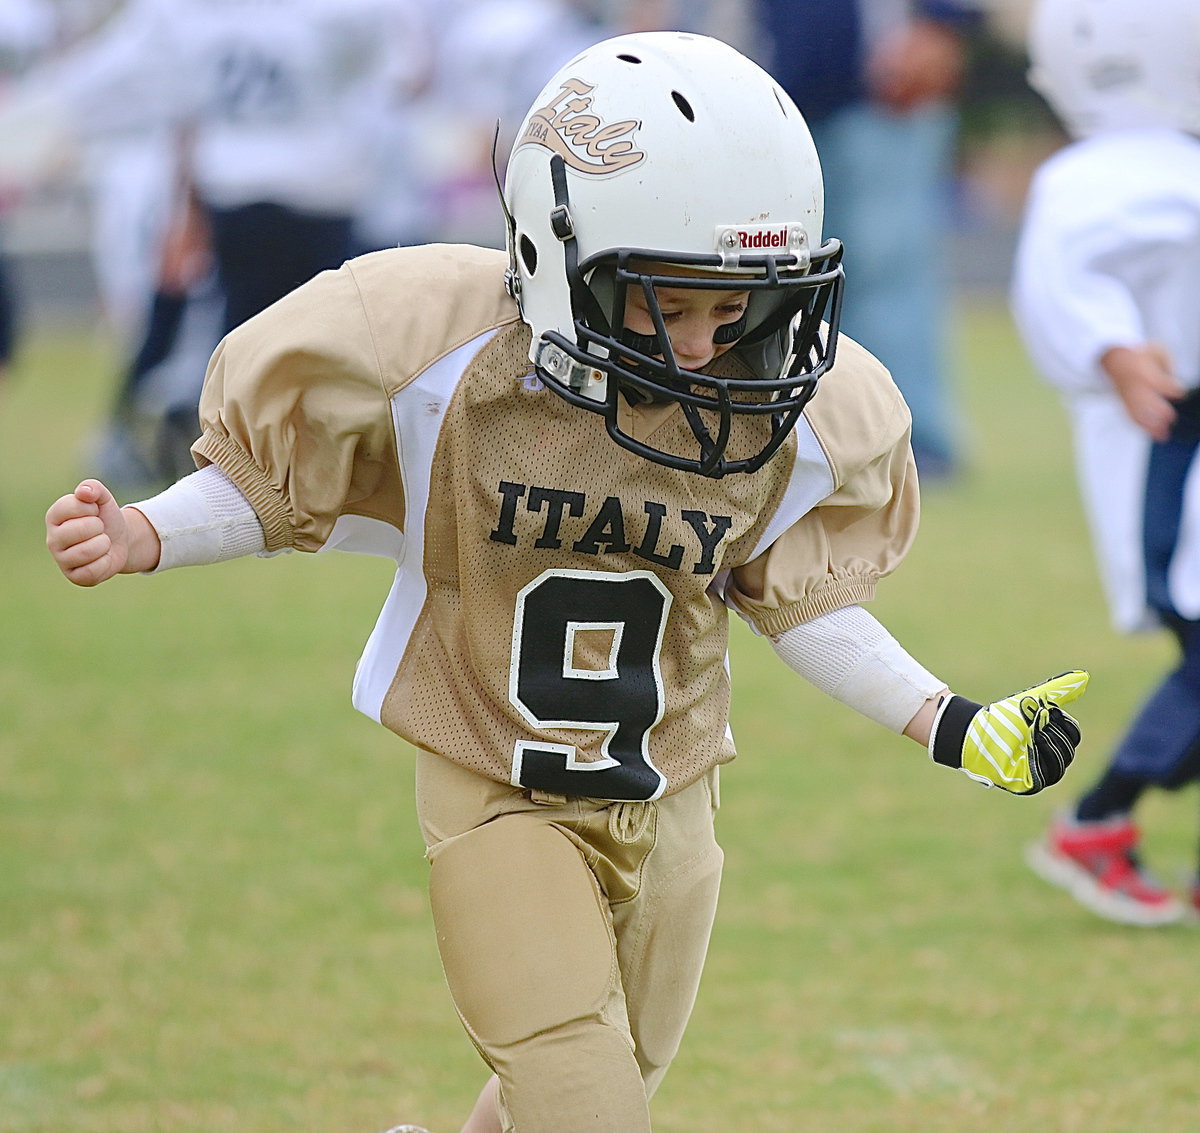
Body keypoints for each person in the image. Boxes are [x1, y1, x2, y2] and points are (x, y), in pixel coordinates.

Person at [46, 33, 1087, 1133]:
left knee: (614, 1065)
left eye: (732, 310)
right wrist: (147, 531)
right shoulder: (443, 357)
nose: (702, 347)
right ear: (558, 254)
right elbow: (277, 486)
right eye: (666, 303)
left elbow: (805, 600)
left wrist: (950, 718)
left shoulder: (785, 411)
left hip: (673, 791)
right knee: (583, 1091)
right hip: (495, 781)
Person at [1012, 0, 1200, 928]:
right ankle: (1094, 821)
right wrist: (1114, 349)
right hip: (1167, 434)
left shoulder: (1168, 163)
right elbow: (1064, 271)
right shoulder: (1109, 175)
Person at [752, 0, 983, 481]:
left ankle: (912, 442)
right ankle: (796, 435)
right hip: (769, 87)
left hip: (882, 86)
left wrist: (940, 22)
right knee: (773, 274)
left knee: (888, 276)